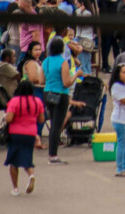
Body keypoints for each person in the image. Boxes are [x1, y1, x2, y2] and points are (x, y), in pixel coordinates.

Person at [3, 80, 44, 196]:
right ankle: (31, 175)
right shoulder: (37, 102)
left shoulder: (15, 101)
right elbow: (41, 119)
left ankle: (15, 188)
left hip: (15, 134)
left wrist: (6, 117)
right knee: (27, 158)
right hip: (30, 134)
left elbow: (10, 118)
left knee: (13, 161)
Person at [42, 36, 78, 165]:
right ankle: (53, 155)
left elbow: (42, 80)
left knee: (53, 123)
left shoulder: (45, 61)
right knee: (56, 126)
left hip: (47, 93)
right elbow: (67, 82)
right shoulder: (63, 62)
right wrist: (76, 75)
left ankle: (52, 154)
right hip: (60, 94)